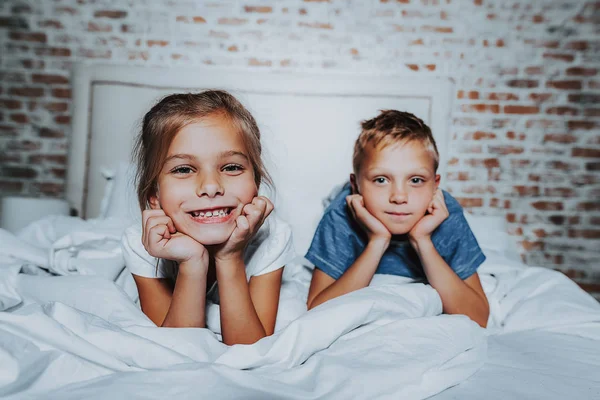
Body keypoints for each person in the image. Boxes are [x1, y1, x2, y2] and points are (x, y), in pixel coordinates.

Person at [121, 91, 295, 345]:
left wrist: (229, 256)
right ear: (154, 195)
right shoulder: (139, 244)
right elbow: (177, 348)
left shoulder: (274, 236)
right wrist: (193, 262)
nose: (211, 186)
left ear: (255, 184)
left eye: (231, 167)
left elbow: (249, 348)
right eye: (183, 169)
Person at [305, 110, 489, 327]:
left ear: (435, 185)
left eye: (416, 180)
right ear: (356, 185)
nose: (399, 196)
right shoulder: (340, 214)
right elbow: (317, 310)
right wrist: (378, 240)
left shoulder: (447, 215)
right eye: (381, 179)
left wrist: (422, 240)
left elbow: (478, 317)